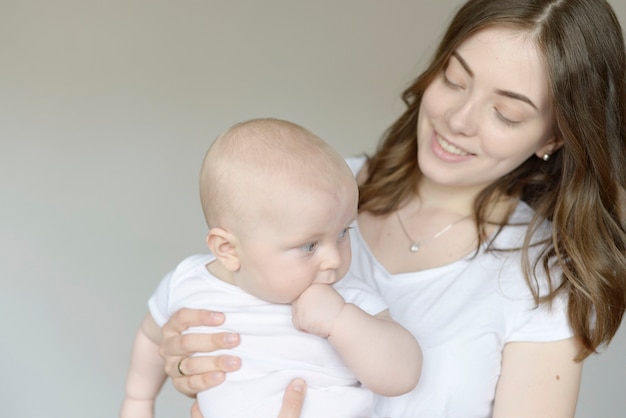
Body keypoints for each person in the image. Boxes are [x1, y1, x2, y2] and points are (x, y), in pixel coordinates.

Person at [162, 0, 626, 417]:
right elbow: (214, 322)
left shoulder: (541, 278)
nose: (457, 119)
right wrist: (187, 358)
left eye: (505, 113)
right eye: (454, 79)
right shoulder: (316, 193)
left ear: (553, 136)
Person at [120, 118, 422, 418]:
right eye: (309, 246)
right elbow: (151, 336)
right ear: (228, 250)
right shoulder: (189, 283)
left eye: (343, 232)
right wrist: (139, 400)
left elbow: (403, 374)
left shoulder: (345, 298)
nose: (334, 259)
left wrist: (341, 320)